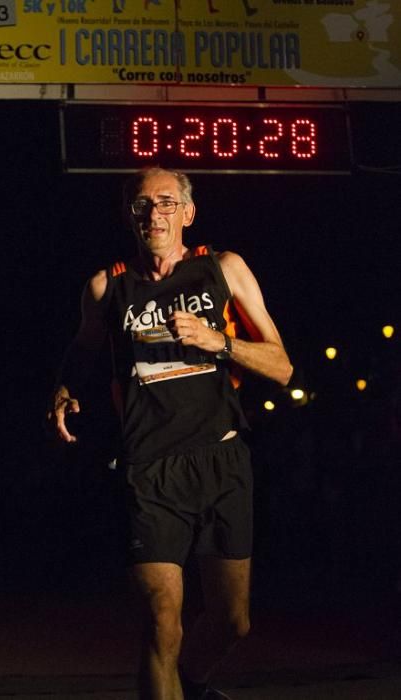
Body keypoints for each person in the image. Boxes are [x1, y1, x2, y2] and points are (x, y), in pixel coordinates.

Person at [49, 167, 292, 700]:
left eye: (165, 203)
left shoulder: (224, 269)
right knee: (163, 621)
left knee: (233, 622)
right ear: (128, 215)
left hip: (222, 463)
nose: (153, 214)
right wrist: (65, 389)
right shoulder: (106, 286)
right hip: (149, 472)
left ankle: (191, 686)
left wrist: (217, 341)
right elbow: (83, 351)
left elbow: (282, 367)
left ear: (188, 212)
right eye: (142, 204)